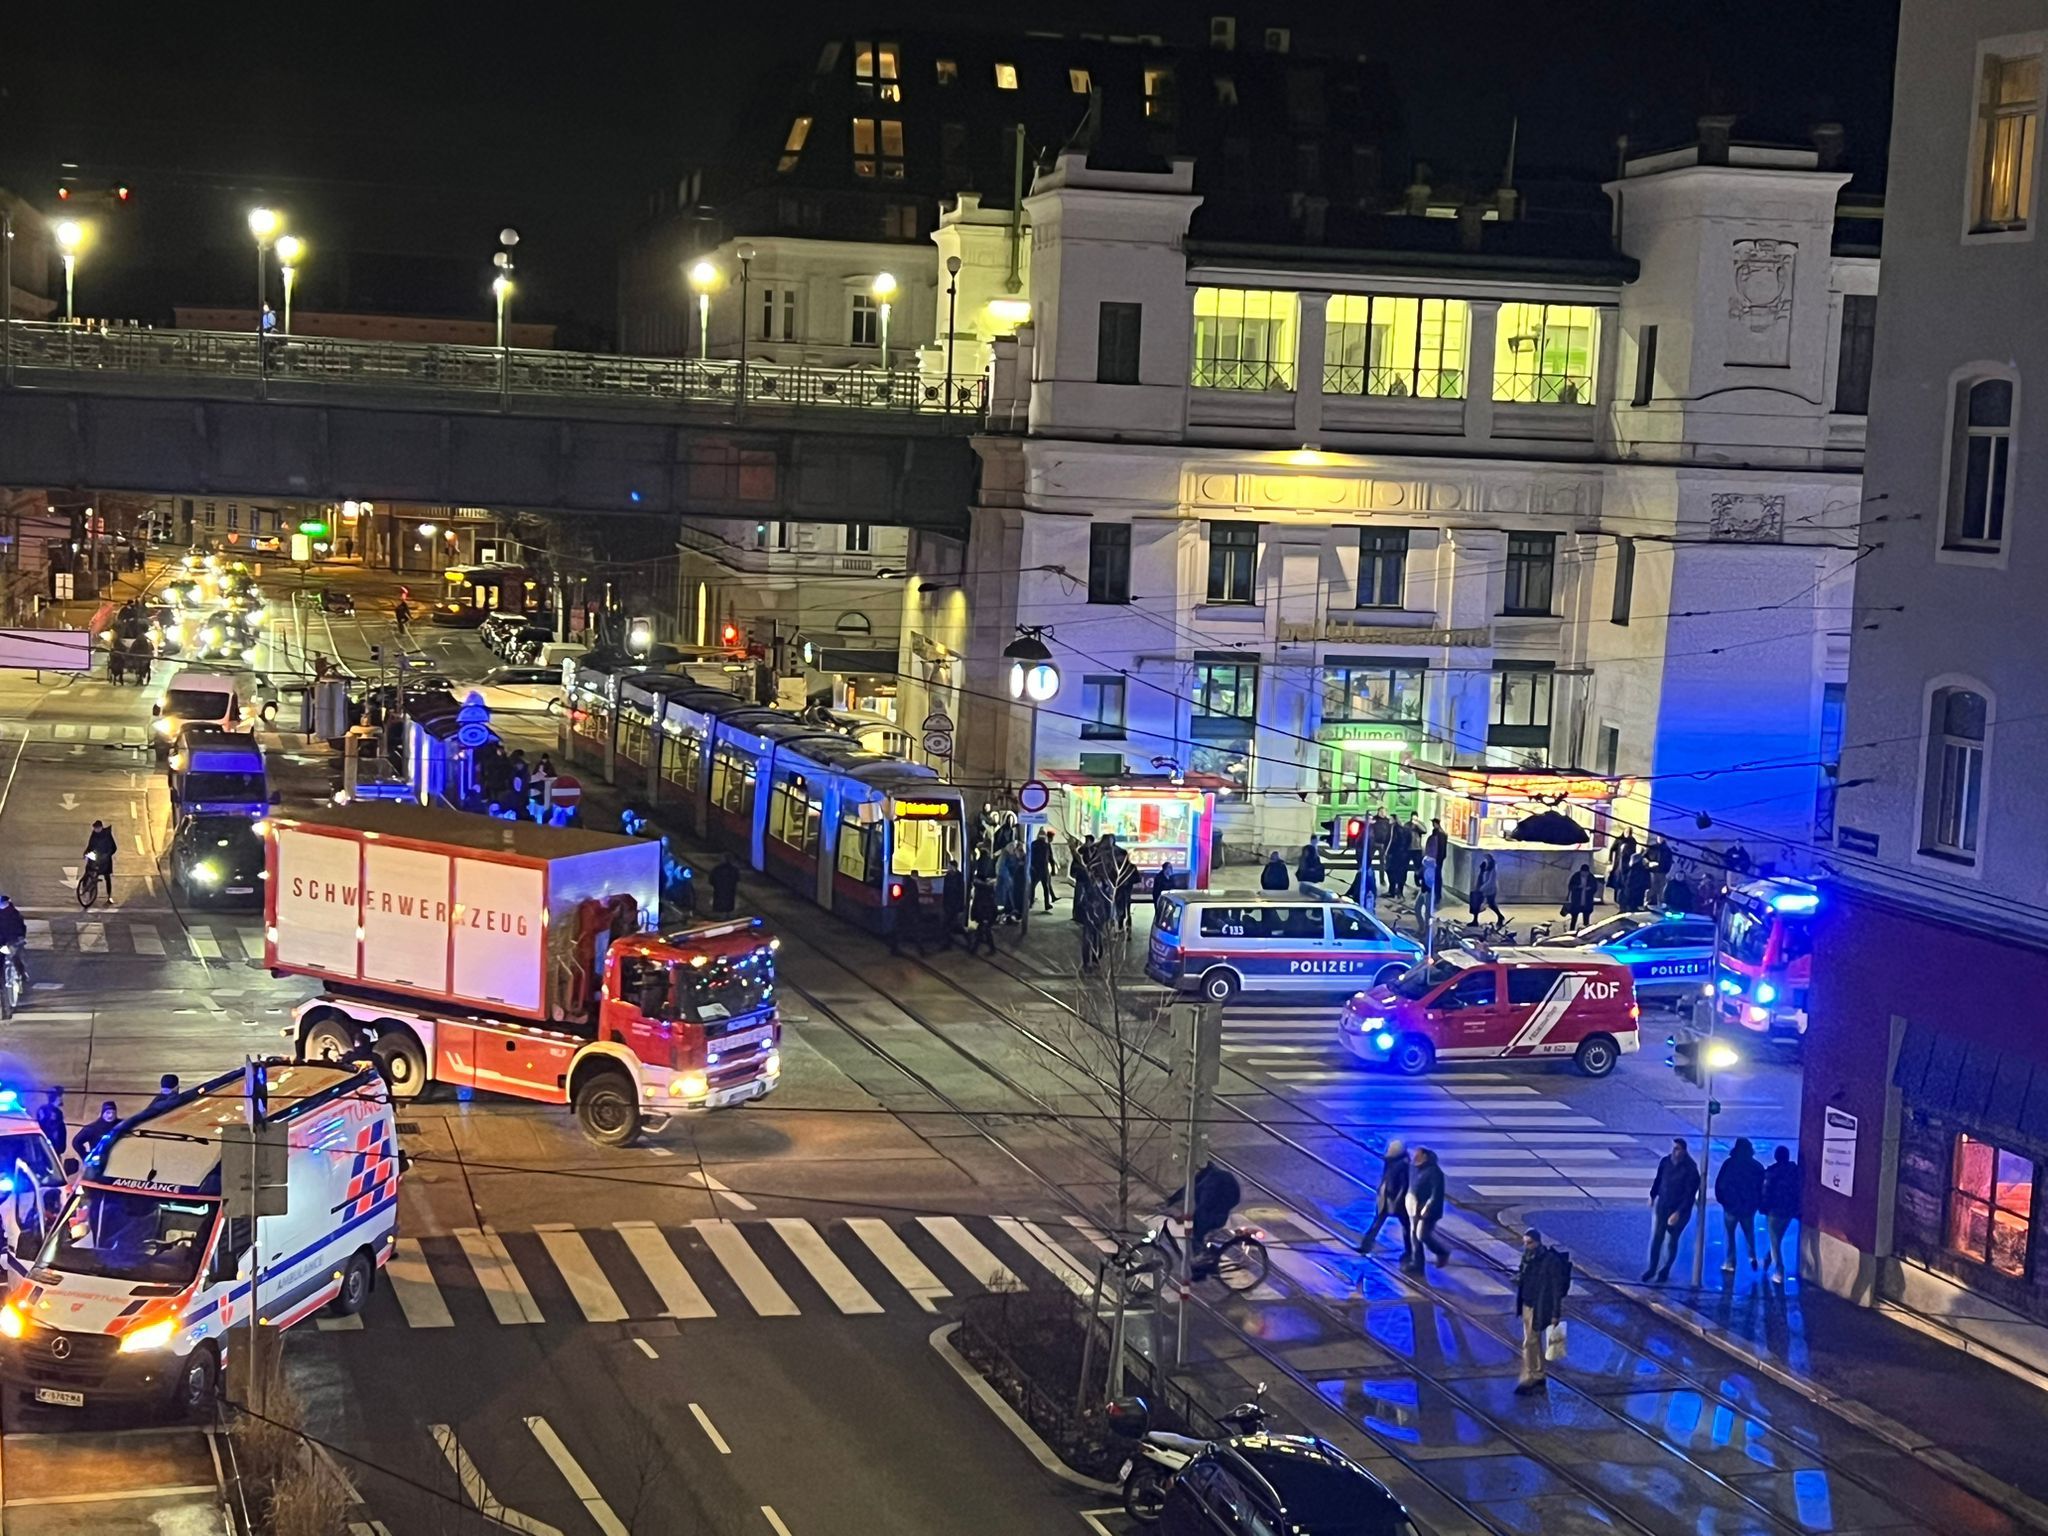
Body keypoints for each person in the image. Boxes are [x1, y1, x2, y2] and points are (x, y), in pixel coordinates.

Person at [1514, 1226, 1572, 1393]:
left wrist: (1555, 1314)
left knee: (1530, 1341)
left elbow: (1555, 1289)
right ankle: (1538, 1373)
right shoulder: (1527, 1257)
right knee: (1533, 1340)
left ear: (1538, 1243)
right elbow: (1523, 1277)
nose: (1526, 1246)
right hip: (1527, 1303)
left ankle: (1532, 1375)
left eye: (1529, 1243)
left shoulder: (1549, 1261)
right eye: (1524, 1243)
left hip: (1539, 1306)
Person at [1644, 1137, 1701, 1282]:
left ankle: (1665, 1269)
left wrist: (1678, 1213)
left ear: (1683, 1151)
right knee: (1657, 1238)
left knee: (1671, 1240)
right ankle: (1652, 1268)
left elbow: (1690, 1195)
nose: (1674, 1152)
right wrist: (1652, 1195)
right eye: (1673, 1149)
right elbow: (1658, 1179)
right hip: (1663, 1205)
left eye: (1677, 1149)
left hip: (1678, 1210)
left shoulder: (1690, 1168)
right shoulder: (1665, 1162)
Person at [1178, 1160, 1242, 1279]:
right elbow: (1186, 1191)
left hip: (1215, 1215)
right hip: (1217, 1211)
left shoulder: (1211, 1182)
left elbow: (1202, 1202)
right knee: (1194, 1226)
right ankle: (1206, 1258)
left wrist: (1185, 1213)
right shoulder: (1207, 1176)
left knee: (1194, 1229)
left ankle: (1202, 1260)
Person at [1716, 1136, 1765, 1274]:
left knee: (1729, 1235)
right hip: (1748, 1209)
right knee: (1749, 1232)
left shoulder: (1729, 1164)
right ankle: (1752, 1256)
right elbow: (1761, 1189)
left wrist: (1723, 1201)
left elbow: (1720, 1184)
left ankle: (1730, 1262)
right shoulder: (1757, 1166)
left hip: (1730, 1207)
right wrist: (1756, 1204)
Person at [1358, 1140, 1412, 1263]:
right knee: (1378, 1223)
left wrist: (1397, 1200)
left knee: (1406, 1227)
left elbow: (1403, 1185)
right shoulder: (1392, 1162)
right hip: (1387, 1197)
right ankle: (1365, 1246)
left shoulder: (1402, 1165)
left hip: (1398, 1201)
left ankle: (1410, 1252)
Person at [1760, 1144, 1802, 1284]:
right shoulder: (1795, 1172)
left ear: (1776, 1157)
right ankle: (1767, 1259)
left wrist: (1763, 1207)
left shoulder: (1772, 1172)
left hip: (1774, 1211)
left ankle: (1779, 1270)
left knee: (1774, 1241)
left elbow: (1766, 1193)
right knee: (1777, 1238)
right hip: (1789, 1210)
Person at [1406, 1146, 1451, 1272]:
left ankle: (1442, 1252)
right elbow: (1412, 1186)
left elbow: (1436, 1193)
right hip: (1414, 1208)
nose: (1414, 1158)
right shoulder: (1415, 1169)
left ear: (1425, 1156)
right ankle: (1417, 1263)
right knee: (1414, 1235)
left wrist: (1427, 1207)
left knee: (1422, 1235)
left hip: (1429, 1211)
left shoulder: (1434, 1172)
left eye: (1417, 1155)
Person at [71, 1101, 119, 1165]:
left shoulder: (120, 1125)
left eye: (113, 1113)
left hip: (117, 1162)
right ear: (103, 1113)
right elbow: (76, 1142)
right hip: (98, 1163)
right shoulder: (93, 1128)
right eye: (108, 1113)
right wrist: (86, 1156)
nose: (111, 1115)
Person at [83, 820, 117, 905]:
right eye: (95, 828)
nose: (96, 830)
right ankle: (89, 892)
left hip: (105, 860)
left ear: (101, 827)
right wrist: (86, 853)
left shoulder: (107, 835)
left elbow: (113, 848)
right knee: (90, 872)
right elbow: (90, 846)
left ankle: (109, 896)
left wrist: (107, 855)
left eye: (97, 828)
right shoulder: (94, 834)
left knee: (107, 877)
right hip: (96, 857)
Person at [1469, 854, 1505, 926]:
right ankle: (1500, 917)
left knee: (1481, 902)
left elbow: (1491, 881)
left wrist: (1481, 889)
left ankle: (1475, 920)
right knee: (1487, 903)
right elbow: (1481, 877)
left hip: (1490, 888)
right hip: (1484, 888)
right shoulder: (1486, 866)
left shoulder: (1493, 869)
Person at [967, 877, 1000, 955]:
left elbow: (984, 907)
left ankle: (979, 949)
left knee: (984, 932)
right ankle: (976, 949)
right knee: (981, 932)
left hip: (985, 917)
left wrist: (984, 918)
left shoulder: (982, 893)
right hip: (985, 917)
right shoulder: (988, 892)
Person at [0, 894, 27, 988]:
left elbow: (21, 927)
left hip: (14, 940)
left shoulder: (15, 914)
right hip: (2, 941)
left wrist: (21, 938)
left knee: (16, 957)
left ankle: (22, 973)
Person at [1384, 817, 1413, 897]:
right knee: (1401, 873)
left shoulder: (1393, 829)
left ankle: (1392, 890)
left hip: (1395, 854)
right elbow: (1409, 840)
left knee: (1391, 871)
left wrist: (1387, 852)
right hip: (1404, 855)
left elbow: (1391, 841)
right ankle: (1399, 890)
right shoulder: (1405, 830)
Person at [1563, 863, 1598, 929]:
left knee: (1586, 920)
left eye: (1586, 873)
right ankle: (1572, 930)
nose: (1584, 874)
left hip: (1587, 901)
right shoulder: (1576, 876)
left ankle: (1585, 931)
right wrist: (1578, 887)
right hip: (1576, 901)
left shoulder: (1591, 877)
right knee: (1574, 919)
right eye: (1583, 873)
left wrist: (1590, 889)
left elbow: (1595, 887)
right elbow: (1570, 886)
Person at [1030, 829, 1057, 913]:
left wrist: (1052, 868)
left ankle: (1036, 902)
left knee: (1037, 886)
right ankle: (1044, 904)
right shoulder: (1042, 845)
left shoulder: (1037, 844)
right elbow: (1050, 858)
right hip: (1041, 868)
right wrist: (1052, 869)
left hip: (1038, 868)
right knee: (1043, 887)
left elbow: (1050, 858)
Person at [1608, 830, 1639, 902]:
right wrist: (1610, 860)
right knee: (1617, 880)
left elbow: (1634, 851)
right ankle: (1616, 897)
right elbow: (1612, 849)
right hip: (1618, 862)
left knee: (1625, 881)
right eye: (1627, 832)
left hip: (1627, 863)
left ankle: (1623, 898)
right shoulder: (1619, 840)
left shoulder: (1632, 841)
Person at [941, 861, 966, 946]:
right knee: (948, 925)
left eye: (949, 866)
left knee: (950, 925)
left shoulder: (959, 877)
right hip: (948, 905)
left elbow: (961, 892)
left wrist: (960, 906)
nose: (948, 868)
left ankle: (949, 943)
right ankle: (947, 943)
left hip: (955, 905)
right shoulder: (947, 876)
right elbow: (945, 891)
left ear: (953, 867)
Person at [1645, 837, 1674, 908]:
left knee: (1661, 888)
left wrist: (1666, 870)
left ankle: (1660, 903)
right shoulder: (1652, 848)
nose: (1660, 839)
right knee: (1652, 887)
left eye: (1661, 838)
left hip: (1662, 872)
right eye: (1659, 838)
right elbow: (1644, 857)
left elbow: (1669, 861)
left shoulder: (1667, 850)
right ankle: (1648, 902)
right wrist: (1649, 864)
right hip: (1652, 871)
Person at [34, 1089, 64, 1158]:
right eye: (60, 1096)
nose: (61, 1098)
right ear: (56, 1098)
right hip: (51, 1148)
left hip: (52, 1148)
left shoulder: (43, 1110)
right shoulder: (54, 1112)